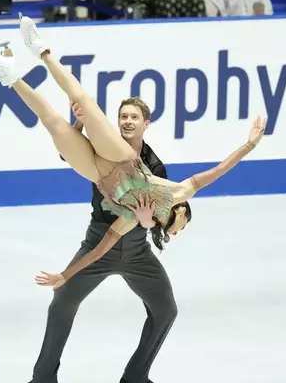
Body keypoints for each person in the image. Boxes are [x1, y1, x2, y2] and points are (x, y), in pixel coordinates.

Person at [0, 13, 266, 289]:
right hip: (120, 157)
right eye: (183, 224)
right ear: (182, 212)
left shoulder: (132, 220)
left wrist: (65, 275)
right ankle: (41, 49)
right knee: (82, 101)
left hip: (95, 170)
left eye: (179, 230)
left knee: (53, 123)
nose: (180, 230)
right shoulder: (178, 193)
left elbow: (100, 250)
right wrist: (249, 145)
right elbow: (217, 172)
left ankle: (8, 71)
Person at [26, 96, 176, 383]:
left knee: (165, 310)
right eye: (123, 117)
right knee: (62, 302)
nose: (128, 121)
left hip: (136, 250)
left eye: (134, 117)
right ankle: (43, 377)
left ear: (146, 124)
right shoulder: (102, 146)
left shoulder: (155, 167)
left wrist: (146, 220)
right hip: (97, 243)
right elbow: (68, 151)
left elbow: (159, 219)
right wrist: (80, 122)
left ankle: (135, 377)